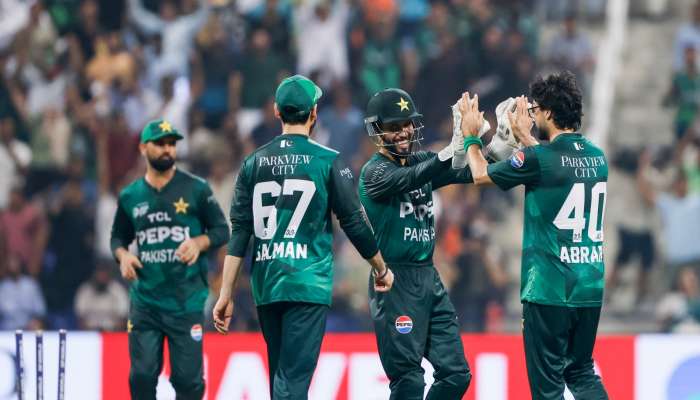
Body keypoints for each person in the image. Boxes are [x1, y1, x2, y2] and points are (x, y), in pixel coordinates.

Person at [213, 75, 393, 399]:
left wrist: (226, 292)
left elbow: (239, 232)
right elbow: (353, 221)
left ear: (276, 111)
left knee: (281, 380)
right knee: (293, 382)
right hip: (307, 283)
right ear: (314, 113)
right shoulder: (328, 160)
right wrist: (380, 267)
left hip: (267, 284)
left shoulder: (252, 163)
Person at [460, 71, 610, 399]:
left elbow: (480, 175)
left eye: (536, 109)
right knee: (581, 371)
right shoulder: (598, 158)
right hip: (588, 286)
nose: (532, 115)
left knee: (547, 387)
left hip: (548, 289)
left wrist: (471, 137)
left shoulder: (538, 158)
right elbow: (557, 167)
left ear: (549, 113)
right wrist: (526, 139)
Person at [359, 88, 472, 399]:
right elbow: (411, 177)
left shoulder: (421, 161)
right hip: (393, 280)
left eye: (407, 123)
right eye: (394, 126)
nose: (404, 131)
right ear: (377, 131)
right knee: (409, 381)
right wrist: (451, 149)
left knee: (456, 375)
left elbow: (471, 170)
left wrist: (505, 146)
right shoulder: (373, 173)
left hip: (428, 278)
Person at [110, 118, 229, 399]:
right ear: (143, 148)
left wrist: (199, 242)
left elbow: (222, 230)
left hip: (185, 299)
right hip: (146, 300)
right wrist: (123, 255)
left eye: (171, 144)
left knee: (188, 382)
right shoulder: (130, 196)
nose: (167, 149)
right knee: (141, 376)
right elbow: (117, 238)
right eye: (160, 144)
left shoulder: (197, 189)